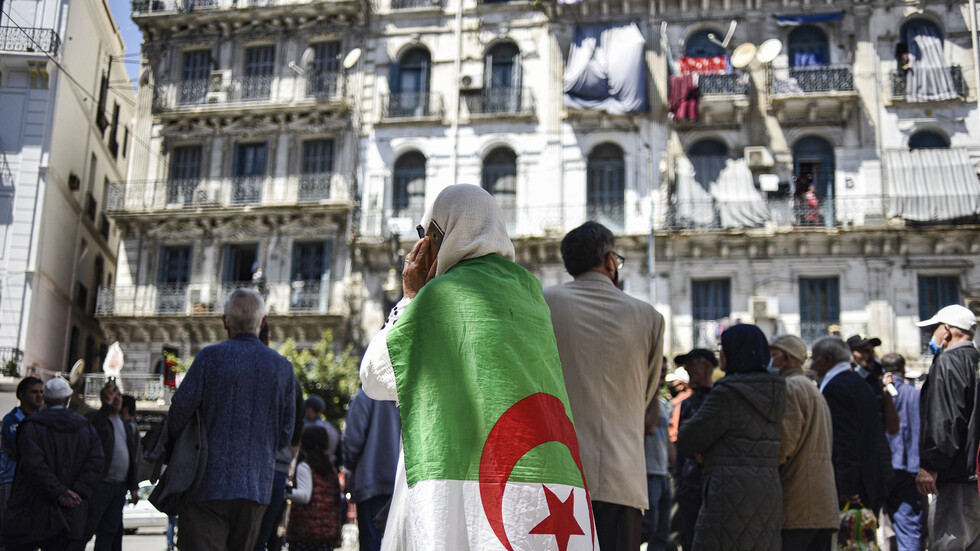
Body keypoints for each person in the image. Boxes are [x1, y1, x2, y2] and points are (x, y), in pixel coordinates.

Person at [360, 184, 597, 549]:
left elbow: (374, 378)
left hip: (456, 475)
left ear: (438, 237)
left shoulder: (438, 297)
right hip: (541, 484)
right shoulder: (532, 294)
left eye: (425, 235)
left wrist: (410, 299)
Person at [543, 221, 665, 550]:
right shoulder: (650, 318)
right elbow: (647, 392)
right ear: (610, 260)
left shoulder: (543, 304)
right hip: (623, 480)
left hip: (558, 478)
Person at [167, 288, 296, 550]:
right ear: (262, 322)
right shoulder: (283, 368)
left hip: (205, 485)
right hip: (256, 490)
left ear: (224, 321)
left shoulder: (209, 358)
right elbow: (285, 434)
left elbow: (178, 413)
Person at [676, 324, 786, 550]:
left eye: (723, 349)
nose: (721, 355)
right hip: (768, 492)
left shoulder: (728, 393)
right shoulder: (776, 391)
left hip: (729, 493)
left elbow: (688, 439)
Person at [1, 378, 104, 551]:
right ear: (67, 400)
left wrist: (60, 491)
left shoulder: (30, 427)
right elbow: (96, 462)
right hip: (70, 512)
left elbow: (34, 465)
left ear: (45, 400)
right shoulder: (85, 428)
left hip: (32, 509)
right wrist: (74, 492)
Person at [915, 305, 980, 550]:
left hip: (957, 478)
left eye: (934, 329)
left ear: (947, 330)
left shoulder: (948, 362)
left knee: (949, 543)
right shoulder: (976, 361)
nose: (932, 335)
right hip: (974, 476)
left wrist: (930, 466)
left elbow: (945, 420)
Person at [770, 334, 838, 551]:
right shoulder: (810, 387)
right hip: (820, 505)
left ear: (787, 358)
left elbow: (783, 446)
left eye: (773, 356)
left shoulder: (789, 387)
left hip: (798, 504)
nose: (769, 362)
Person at [811, 337, 884, 513]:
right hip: (867, 480)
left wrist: (846, 487)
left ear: (827, 359)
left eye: (814, 359)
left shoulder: (836, 388)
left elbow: (845, 440)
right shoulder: (860, 384)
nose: (812, 365)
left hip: (851, 490)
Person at [254, 321, 306, 551]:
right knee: (262, 538)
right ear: (266, 338)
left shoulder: (220, 360)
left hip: (237, 465)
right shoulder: (285, 371)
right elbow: (296, 422)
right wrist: (289, 455)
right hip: (276, 464)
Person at [77, 383, 140, 551]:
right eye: (114, 396)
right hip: (99, 485)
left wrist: (133, 487)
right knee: (86, 530)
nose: (117, 399)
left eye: (119, 396)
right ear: (105, 399)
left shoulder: (124, 425)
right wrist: (105, 407)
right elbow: (94, 430)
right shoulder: (96, 418)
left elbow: (132, 457)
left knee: (109, 532)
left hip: (118, 487)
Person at [343, 389, 400, 551]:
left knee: (371, 542)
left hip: (370, 480)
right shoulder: (404, 395)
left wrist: (349, 466)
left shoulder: (366, 396)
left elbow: (352, 440)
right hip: (401, 483)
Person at [672, 348, 716, 551]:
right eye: (686, 364)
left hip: (713, 486)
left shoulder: (719, 400)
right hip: (689, 487)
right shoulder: (686, 404)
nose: (688, 368)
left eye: (692, 362)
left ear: (707, 365)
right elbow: (678, 442)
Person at [879, 353, 922, 551]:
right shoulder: (917, 396)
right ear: (903, 369)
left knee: (881, 527)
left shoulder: (878, 394)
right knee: (909, 526)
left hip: (883, 468)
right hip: (910, 468)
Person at [286, 425, 343, 551]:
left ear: (303, 445)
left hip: (304, 533)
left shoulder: (305, 467)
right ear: (327, 446)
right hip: (328, 534)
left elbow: (304, 496)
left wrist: (284, 492)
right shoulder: (331, 470)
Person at [641, 360, 673, 551]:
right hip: (647, 472)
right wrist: (652, 391)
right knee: (647, 528)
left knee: (662, 532)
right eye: (659, 371)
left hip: (663, 473)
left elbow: (666, 438)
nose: (662, 376)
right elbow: (650, 427)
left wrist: (673, 465)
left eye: (664, 372)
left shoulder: (662, 404)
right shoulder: (644, 401)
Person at [0, 377, 44, 514]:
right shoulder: (11, 419)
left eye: (41, 392)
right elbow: (21, 448)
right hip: (11, 478)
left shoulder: (45, 419)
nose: (39, 396)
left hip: (36, 480)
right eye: (34, 392)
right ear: (21, 395)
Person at [305, 396, 341, 467]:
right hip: (328, 468)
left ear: (310, 409)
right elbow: (339, 453)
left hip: (311, 467)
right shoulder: (332, 428)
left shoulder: (309, 427)